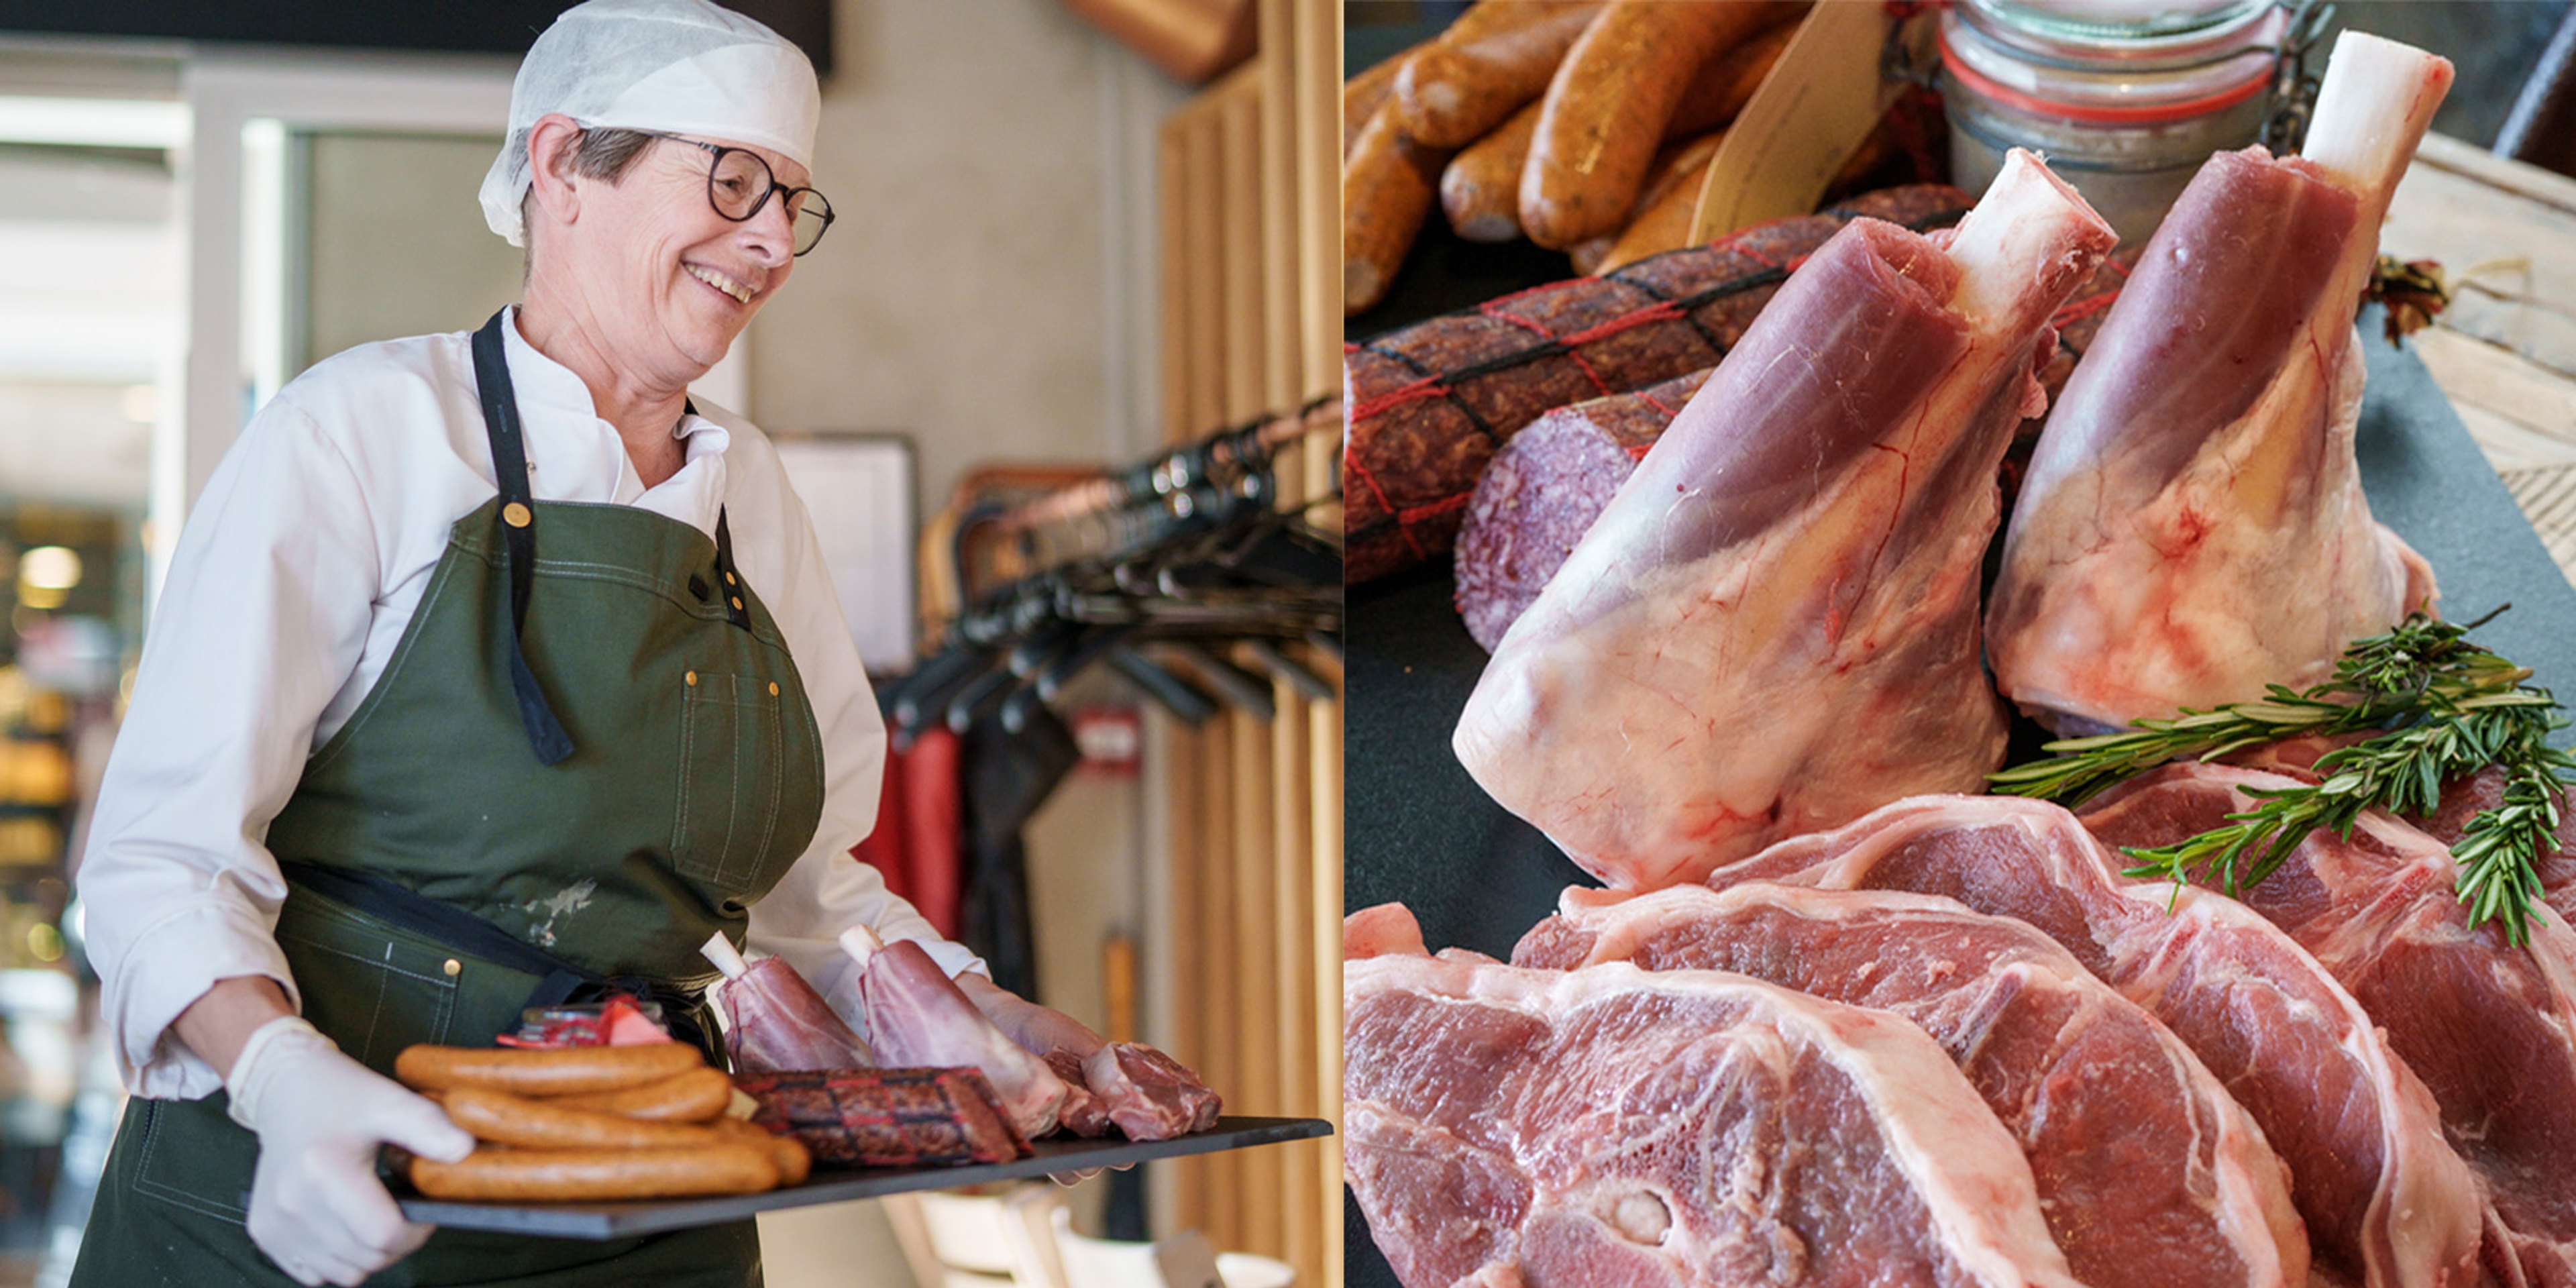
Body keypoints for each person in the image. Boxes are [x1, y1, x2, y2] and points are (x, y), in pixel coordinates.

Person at [68, 3, 1104, 1284]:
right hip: (308, 1197)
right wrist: (281, 1083)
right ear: (561, 163)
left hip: (653, 1200)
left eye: (794, 201)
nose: (775, 240)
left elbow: (808, 901)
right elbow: (159, 861)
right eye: (733, 181)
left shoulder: (753, 499)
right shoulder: (362, 434)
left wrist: (994, 1028)